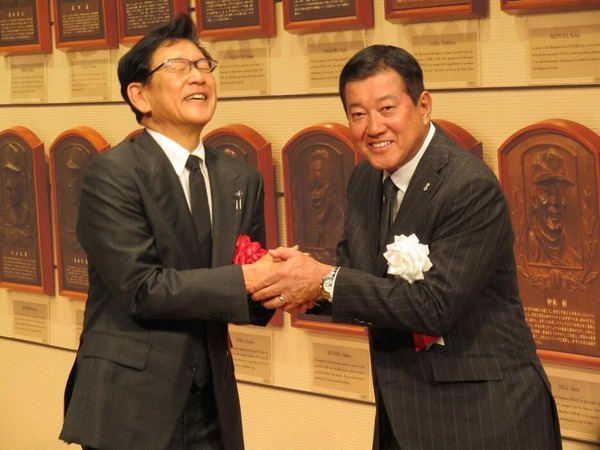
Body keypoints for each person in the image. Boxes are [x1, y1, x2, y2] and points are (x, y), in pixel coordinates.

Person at [250, 45, 562, 450]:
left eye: (387, 109)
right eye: (358, 114)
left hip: (485, 417)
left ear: (423, 105)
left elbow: (435, 306)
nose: (373, 127)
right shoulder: (365, 178)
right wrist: (288, 282)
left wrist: (322, 281)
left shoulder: (468, 186)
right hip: (402, 413)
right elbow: (358, 276)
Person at [60, 14, 274, 450]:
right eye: (177, 66)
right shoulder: (113, 173)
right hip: (129, 404)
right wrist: (246, 281)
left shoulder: (241, 178)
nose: (198, 76)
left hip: (213, 405)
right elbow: (142, 288)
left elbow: (245, 283)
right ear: (139, 95)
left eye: (203, 64)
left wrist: (282, 286)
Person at [528, 147, 581, 268]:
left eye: (560, 193)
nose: (555, 202)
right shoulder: (528, 244)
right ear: (534, 200)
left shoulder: (574, 252)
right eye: (546, 193)